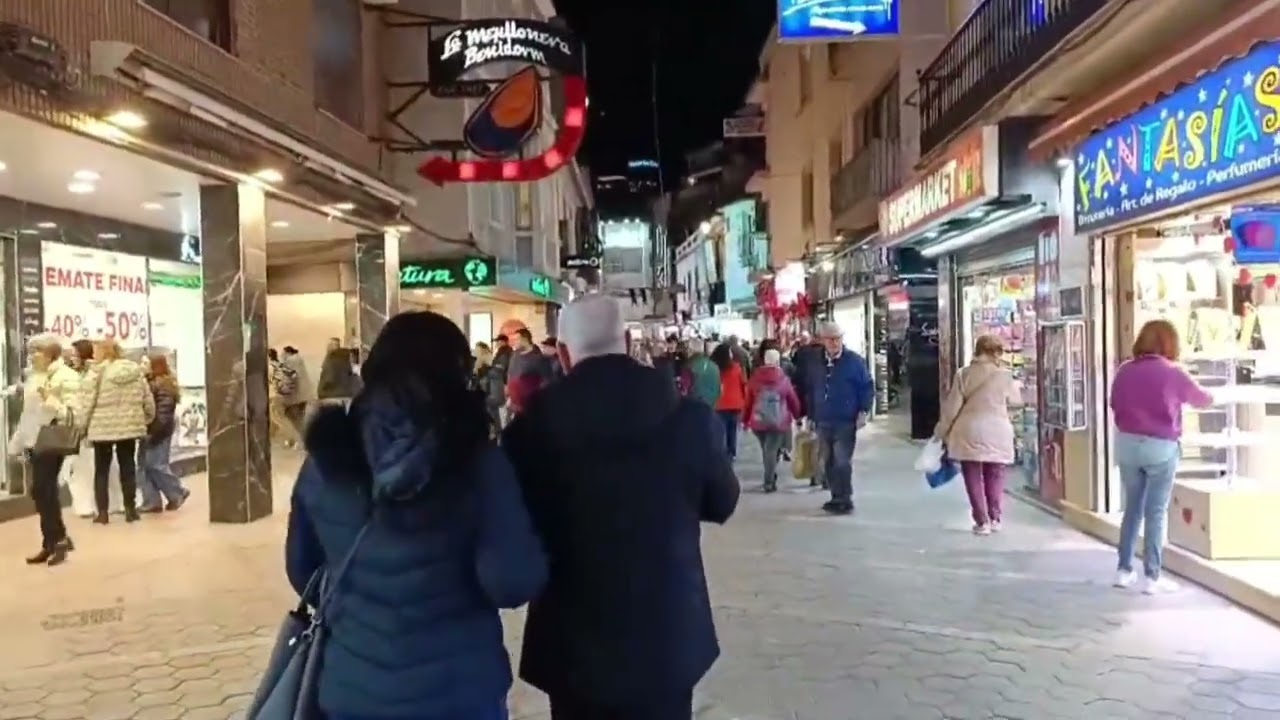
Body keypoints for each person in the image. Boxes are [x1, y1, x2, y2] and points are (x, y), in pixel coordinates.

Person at [285, 311, 547, 720]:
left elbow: (303, 571)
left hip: (353, 689)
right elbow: (510, 583)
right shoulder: (476, 464)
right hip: (458, 693)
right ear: (456, 374)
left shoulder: (325, 462)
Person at [501, 294, 739, 720]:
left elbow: (516, 523)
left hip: (572, 643)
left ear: (565, 355)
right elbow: (722, 502)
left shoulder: (530, 431)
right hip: (666, 634)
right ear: (627, 342)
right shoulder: (689, 418)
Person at [1109, 319, 1213, 594]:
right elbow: (1202, 399)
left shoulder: (1124, 371)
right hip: (1160, 447)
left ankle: (1123, 570)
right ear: (1170, 343)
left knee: (1132, 509)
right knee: (1155, 512)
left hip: (1127, 445)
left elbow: (1114, 403)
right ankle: (1151, 577)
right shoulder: (1173, 372)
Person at [933, 335, 1024, 535]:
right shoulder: (1006, 376)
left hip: (969, 430)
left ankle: (982, 521)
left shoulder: (963, 375)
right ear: (996, 353)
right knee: (995, 473)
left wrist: (941, 432)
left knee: (972, 474)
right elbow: (1016, 403)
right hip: (997, 429)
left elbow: (951, 409)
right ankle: (995, 518)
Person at [9, 334, 78, 565]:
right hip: (33, 440)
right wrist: (18, 441)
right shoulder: (34, 377)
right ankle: (53, 539)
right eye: (30, 351)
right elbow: (28, 415)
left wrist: (51, 400)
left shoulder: (66, 377)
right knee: (39, 492)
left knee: (43, 489)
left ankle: (57, 540)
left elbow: (73, 413)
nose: (32, 356)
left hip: (51, 439)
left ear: (51, 354)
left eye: (36, 351)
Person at [79, 338, 155, 524]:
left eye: (96, 351)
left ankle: (103, 513)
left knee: (101, 470)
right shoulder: (135, 371)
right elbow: (147, 399)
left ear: (103, 352)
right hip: (128, 426)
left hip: (102, 428)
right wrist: (145, 419)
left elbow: (87, 402)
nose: (93, 355)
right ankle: (130, 510)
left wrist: (82, 426)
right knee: (127, 467)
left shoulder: (96, 372)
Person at [806, 322, 874, 515]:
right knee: (828, 460)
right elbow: (811, 389)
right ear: (823, 340)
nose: (835, 343)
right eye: (831, 339)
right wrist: (810, 415)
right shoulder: (816, 362)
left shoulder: (854, 362)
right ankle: (836, 496)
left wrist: (863, 410)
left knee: (842, 460)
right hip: (823, 419)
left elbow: (866, 386)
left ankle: (845, 498)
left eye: (838, 338)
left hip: (845, 419)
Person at [743, 348, 802, 493]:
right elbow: (792, 400)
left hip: (758, 422)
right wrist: (797, 415)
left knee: (767, 449)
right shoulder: (784, 380)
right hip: (778, 422)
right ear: (777, 361)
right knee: (770, 450)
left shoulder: (755, 379)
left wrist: (745, 420)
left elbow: (748, 401)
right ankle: (769, 482)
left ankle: (771, 474)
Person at [138, 354, 189, 513]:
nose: (141, 366)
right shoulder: (150, 383)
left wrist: (153, 432)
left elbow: (163, 413)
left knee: (156, 465)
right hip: (150, 430)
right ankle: (151, 501)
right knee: (144, 466)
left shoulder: (163, 385)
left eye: (145, 363)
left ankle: (177, 492)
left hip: (158, 432)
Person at [710, 343, 747, 460]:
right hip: (736, 404)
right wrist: (745, 401)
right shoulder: (737, 368)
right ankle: (732, 452)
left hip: (720, 404)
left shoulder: (714, 369)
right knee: (733, 430)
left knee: (721, 430)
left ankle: (722, 452)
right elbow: (744, 385)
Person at [267, 348, 302, 448]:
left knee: (279, 419)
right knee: (275, 419)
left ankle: (293, 439)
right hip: (283, 396)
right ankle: (274, 440)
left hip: (274, 396)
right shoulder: (280, 365)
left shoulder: (270, 367)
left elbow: (268, 382)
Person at [473, 342, 507, 432]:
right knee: (494, 413)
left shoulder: (485, 359)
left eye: (477, 350)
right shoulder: (492, 360)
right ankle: (498, 432)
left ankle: (494, 432)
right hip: (496, 393)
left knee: (488, 410)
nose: (475, 352)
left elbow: (476, 370)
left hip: (493, 394)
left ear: (483, 350)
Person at [280, 346, 314, 432]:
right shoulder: (299, 359)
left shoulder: (290, 360)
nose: (282, 355)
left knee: (293, 418)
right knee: (300, 417)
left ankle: (300, 435)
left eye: (283, 353)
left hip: (295, 396)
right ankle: (303, 434)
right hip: (304, 394)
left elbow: (288, 375)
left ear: (288, 352)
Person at [682, 341, 721, 407]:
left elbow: (684, 388)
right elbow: (718, 389)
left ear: (691, 350)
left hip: (693, 405)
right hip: (711, 405)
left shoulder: (689, 365)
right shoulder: (714, 366)